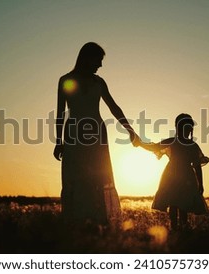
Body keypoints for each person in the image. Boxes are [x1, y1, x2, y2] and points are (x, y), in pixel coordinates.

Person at [53, 42, 138, 225]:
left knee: (97, 177)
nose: (100, 65)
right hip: (74, 133)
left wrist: (130, 131)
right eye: (98, 60)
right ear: (87, 58)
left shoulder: (99, 82)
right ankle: (76, 222)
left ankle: (96, 222)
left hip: (97, 134)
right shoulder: (66, 80)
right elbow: (60, 112)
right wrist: (58, 141)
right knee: (76, 176)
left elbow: (114, 107)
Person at [139, 113, 209, 231]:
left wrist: (201, 183)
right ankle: (174, 227)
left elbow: (197, 166)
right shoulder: (172, 141)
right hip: (171, 176)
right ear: (178, 128)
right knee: (172, 202)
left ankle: (182, 227)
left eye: (189, 128)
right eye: (185, 127)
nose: (187, 130)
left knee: (183, 204)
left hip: (186, 177)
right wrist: (140, 143)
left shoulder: (193, 146)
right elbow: (155, 147)